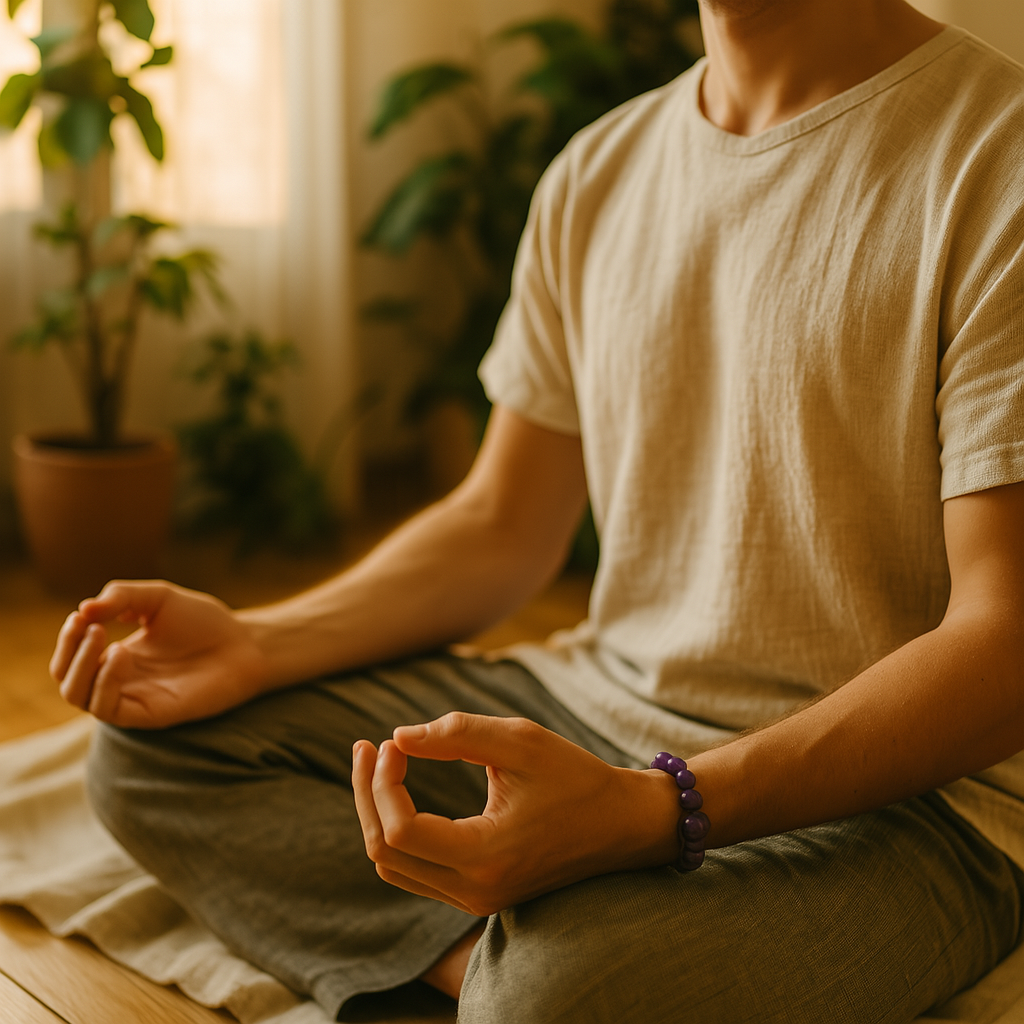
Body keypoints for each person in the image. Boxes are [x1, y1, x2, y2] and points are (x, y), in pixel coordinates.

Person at [50, 1, 1024, 1021]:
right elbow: (501, 523)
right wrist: (258, 640)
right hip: (601, 705)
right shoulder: (596, 171)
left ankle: (526, 963)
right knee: (151, 753)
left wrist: (657, 810)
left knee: (556, 998)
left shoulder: (993, 155)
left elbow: (1003, 649)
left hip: (912, 806)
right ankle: (496, 952)